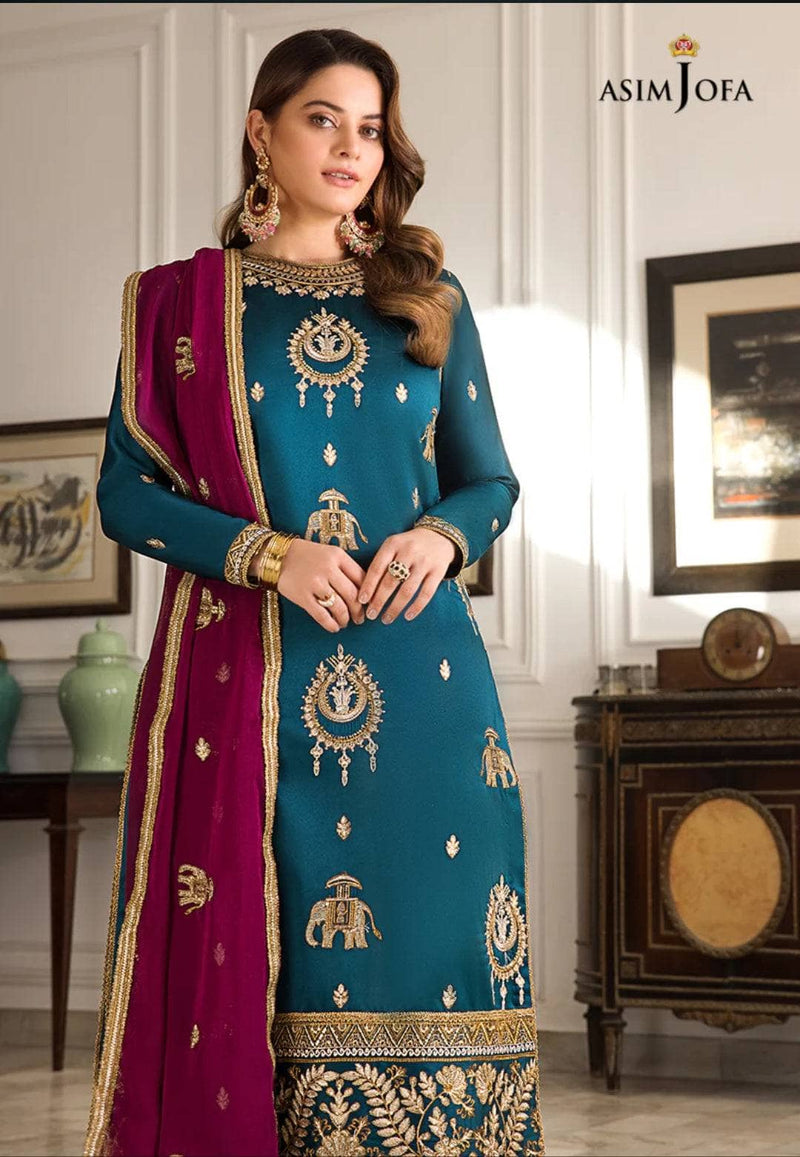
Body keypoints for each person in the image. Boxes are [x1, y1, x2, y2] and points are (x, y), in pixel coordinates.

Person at [83, 26, 545, 1157]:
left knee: (440, 959)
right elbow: (126, 494)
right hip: (258, 695)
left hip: (426, 693)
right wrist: (267, 554)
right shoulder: (179, 306)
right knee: (278, 987)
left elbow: (490, 481)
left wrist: (440, 537)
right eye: (322, 119)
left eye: (370, 129)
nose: (350, 149)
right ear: (262, 132)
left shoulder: (426, 297)